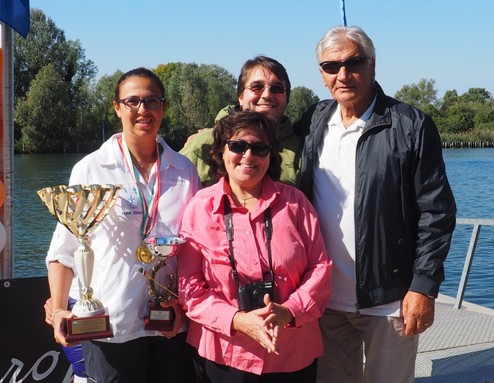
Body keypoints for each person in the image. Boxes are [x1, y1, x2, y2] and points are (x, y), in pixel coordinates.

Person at [297, 26, 457, 383]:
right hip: (326, 301)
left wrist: (423, 286)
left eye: (353, 62)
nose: (343, 74)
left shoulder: (411, 124)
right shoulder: (313, 122)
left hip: (392, 300)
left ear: (372, 64)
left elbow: (438, 213)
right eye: (330, 66)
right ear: (321, 75)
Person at [45, 67, 201, 383]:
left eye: (152, 101)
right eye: (132, 102)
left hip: (169, 323)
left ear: (164, 107)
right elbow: (65, 250)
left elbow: (194, 249)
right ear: (117, 108)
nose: (143, 110)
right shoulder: (91, 169)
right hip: (110, 326)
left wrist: (184, 307)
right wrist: (60, 309)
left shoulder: (184, 169)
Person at [178, 110, 332, 382]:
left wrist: (290, 311)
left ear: (270, 155)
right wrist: (237, 320)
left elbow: (320, 267)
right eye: (238, 146)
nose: (248, 156)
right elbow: (190, 287)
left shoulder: (296, 203)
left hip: (291, 351)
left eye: (259, 148)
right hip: (223, 353)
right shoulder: (199, 208)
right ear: (221, 152)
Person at [179, 55, 302, 187]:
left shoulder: (304, 150)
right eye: (257, 87)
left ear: (287, 98)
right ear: (240, 96)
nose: (267, 95)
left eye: (277, 88)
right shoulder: (203, 143)